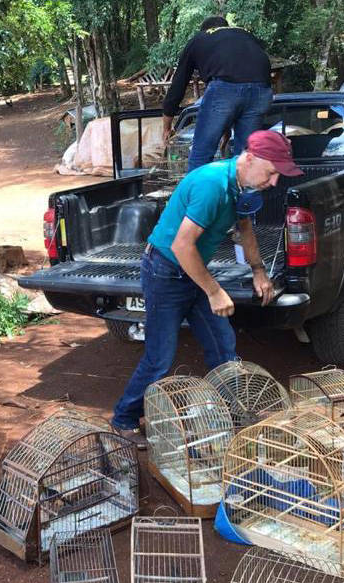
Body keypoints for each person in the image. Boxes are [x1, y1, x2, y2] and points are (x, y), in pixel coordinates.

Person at [109, 130, 302, 445]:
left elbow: (245, 230)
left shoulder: (242, 185)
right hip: (165, 271)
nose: (274, 182)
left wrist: (258, 271)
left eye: (278, 175)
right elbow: (182, 246)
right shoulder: (212, 185)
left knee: (223, 346)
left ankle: (232, 414)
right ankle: (123, 418)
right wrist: (214, 291)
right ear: (250, 158)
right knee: (160, 357)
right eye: (271, 172)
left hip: (193, 270)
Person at [162, 16, 273, 171]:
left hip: (226, 89)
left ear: (205, 30)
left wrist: (166, 126)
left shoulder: (200, 38)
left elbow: (179, 84)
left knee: (201, 155)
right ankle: (245, 193)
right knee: (246, 159)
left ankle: (198, 194)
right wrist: (225, 129)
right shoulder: (245, 35)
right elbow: (240, 80)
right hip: (262, 89)